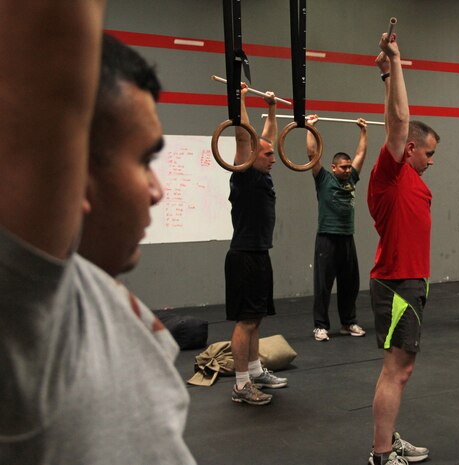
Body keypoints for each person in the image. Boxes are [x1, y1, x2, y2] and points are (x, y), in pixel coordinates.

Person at [0, 3, 195, 462]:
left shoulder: (96, 294)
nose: (156, 191)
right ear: (74, 176)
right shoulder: (34, 320)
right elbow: (52, 32)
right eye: (145, 160)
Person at [366, 31, 440, 465]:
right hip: (396, 284)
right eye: (428, 153)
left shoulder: (412, 178)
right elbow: (398, 121)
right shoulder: (389, 175)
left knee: (401, 370)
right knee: (397, 370)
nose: (432, 160)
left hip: (411, 281)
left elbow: (398, 117)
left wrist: (387, 77)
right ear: (409, 149)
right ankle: (380, 453)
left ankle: (388, 438)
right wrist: (396, 62)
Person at [225, 82, 288, 406]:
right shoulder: (245, 172)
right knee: (245, 320)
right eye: (267, 155)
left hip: (260, 253)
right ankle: (240, 385)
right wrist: (243, 99)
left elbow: (266, 135)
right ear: (251, 156)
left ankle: (254, 370)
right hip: (244, 255)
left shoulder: (263, 176)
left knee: (257, 317)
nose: (272, 158)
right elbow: (243, 135)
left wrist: (273, 107)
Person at [305, 114, 368, 342]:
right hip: (326, 238)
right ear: (333, 167)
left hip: (346, 238)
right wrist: (310, 128)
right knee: (323, 285)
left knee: (350, 283)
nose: (347, 170)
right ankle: (320, 326)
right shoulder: (323, 179)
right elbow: (312, 154)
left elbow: (361, 154)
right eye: (343, 167)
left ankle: (348, 322)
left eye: (349, 167)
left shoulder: (351, 179)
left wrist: (363, 130)